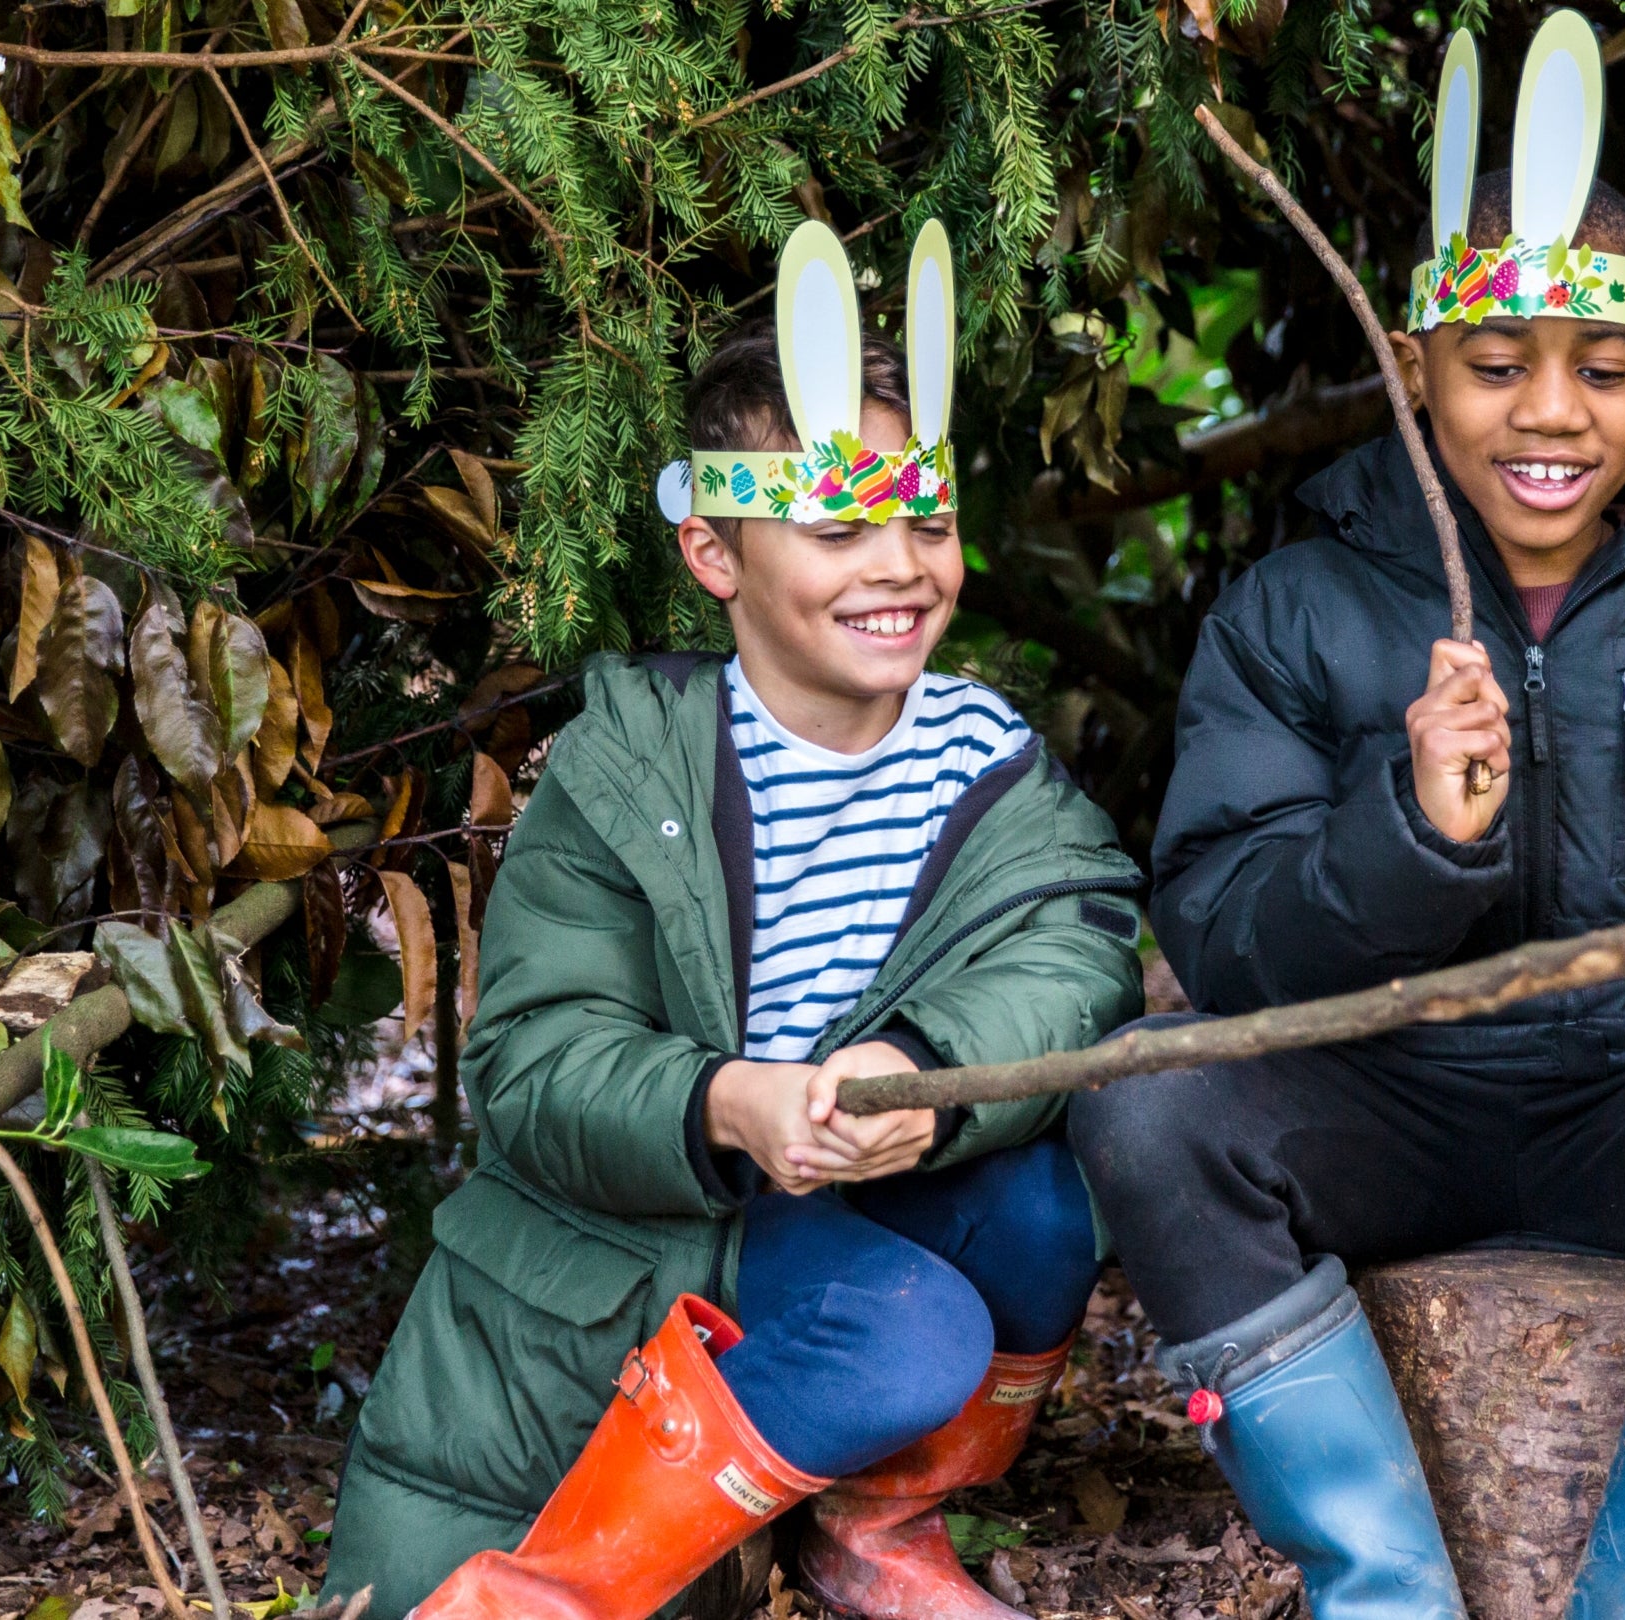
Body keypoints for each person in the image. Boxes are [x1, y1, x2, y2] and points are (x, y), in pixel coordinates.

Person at [1069, 18, 1625, 1620]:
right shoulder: (1298, 601)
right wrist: (1404, 830)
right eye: (1494, 367)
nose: (1550, 415)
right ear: (1412, 370)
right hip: (1387, 1102)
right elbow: (1218, 922)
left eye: (1601, 372)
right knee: (1142, 1108)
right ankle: (1383, 1589)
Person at [327, 221, 1145, 1620]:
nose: (898, 565)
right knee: (912, 1336)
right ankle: (555, 1592)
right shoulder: (626, 766)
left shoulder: (980, 751)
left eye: (928, 523)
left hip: (864, 1169)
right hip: (672, 1213)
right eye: (839, 528)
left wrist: (921, 1075)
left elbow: (1075, 945)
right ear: (714, 551)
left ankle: (876, 1529)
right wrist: (723, 1099)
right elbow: (532, 1065)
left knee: (1046, 1207)